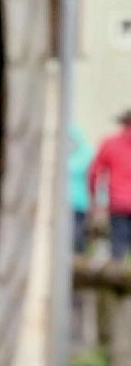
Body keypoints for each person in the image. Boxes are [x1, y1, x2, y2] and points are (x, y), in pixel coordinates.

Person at [91, 109, 131, 263]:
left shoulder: (110, 144)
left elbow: (94, 173)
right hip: (119, 203)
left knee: (118, 249)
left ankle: (117, 270)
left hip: (118, 204)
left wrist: (94, 199)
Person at [72, 121, 97, 257]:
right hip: (62, 203)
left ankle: (78, 258)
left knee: (77, 234)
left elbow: (94, 178)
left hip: (79, 202)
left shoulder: (86, 154)